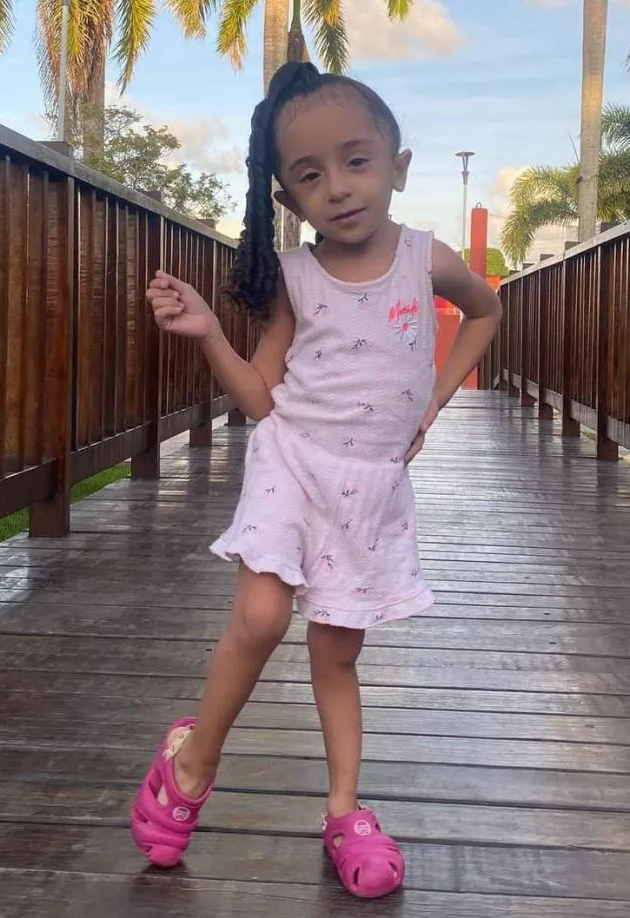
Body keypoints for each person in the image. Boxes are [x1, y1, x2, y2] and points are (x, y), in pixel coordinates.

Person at [134, 60, 501, 899]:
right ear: (288, 199)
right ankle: (192, 763)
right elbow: (263, 398)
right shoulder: (295, 278)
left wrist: (436, 398)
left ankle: (344, 811)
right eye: (309, 175)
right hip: (293, 461)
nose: (337, 187)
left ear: (397, 166)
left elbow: (486, 311)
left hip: (370, 486)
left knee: (337, 652)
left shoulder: (426, 259)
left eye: (356, 160)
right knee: (261, 617)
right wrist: (208, 332)